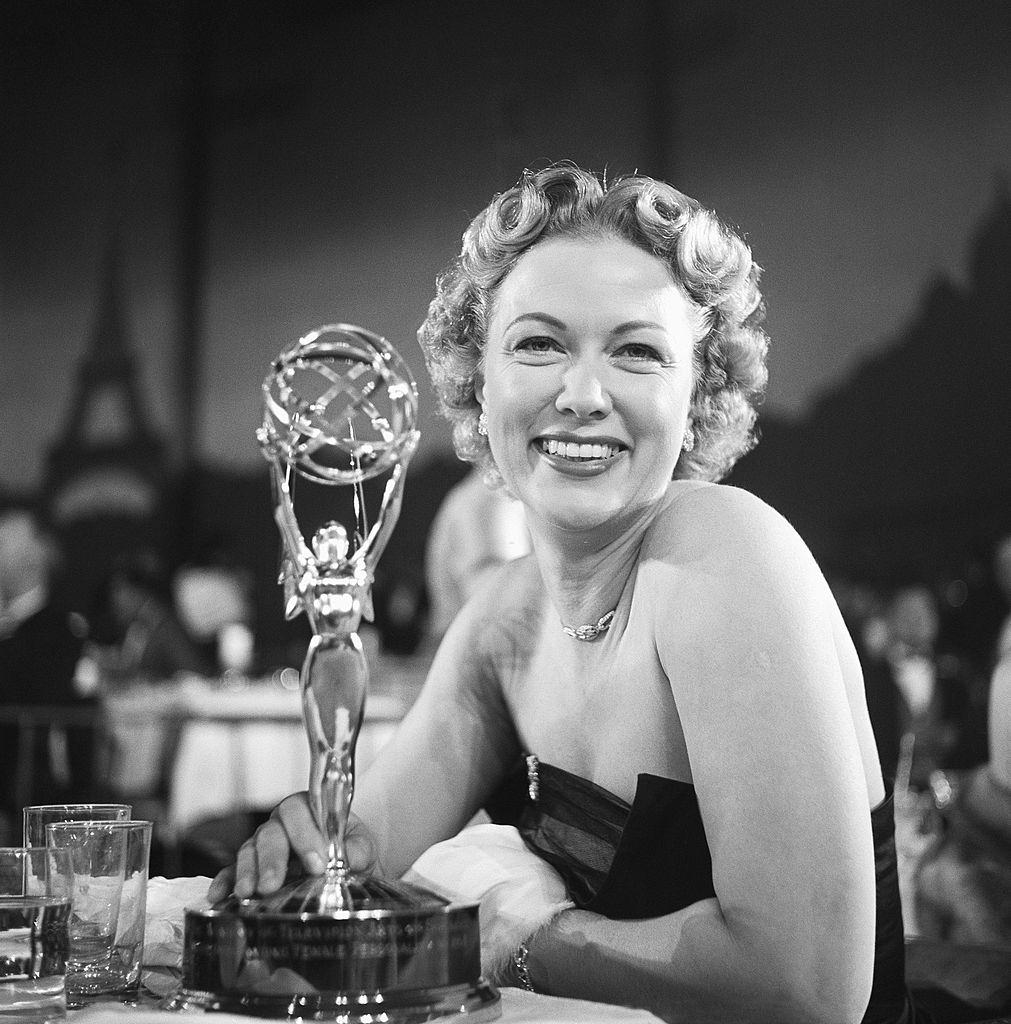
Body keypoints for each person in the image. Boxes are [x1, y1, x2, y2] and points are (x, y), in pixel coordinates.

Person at [211, 164, 907, 1023]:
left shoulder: (728, 551)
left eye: (637, 351)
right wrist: (303, 861)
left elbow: (804, 989)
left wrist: (521, 939)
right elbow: (359, 860)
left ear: (698, 397)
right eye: (538, 344)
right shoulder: (501, 621)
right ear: (478, 379)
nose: (581, 395)